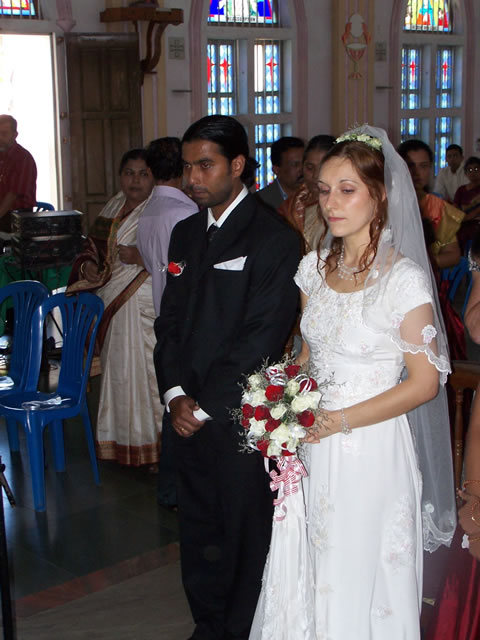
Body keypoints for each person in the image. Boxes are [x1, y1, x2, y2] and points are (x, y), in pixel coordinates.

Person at [250, 126, 455, 639]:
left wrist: (337, 420)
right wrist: (278, 401)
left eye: (347, 189)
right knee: (315, 566)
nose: (331, 203)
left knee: (359, 576)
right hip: (314, 444)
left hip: (371, 448)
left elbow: (424, 384)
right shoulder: (312, 269)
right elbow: (308, 353)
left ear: (379, 195)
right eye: (323, 190)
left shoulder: (403, 280)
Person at [154, 114, 300, 639]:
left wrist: (203, 405)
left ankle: (239, 629)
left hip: (238, 413)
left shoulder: (274, 238)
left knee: (242, 533)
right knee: (197, 530)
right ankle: (207, 625)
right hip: (184, 409)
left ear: (237, 165)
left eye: (205, 166)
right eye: (188, 166)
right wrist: (174, 393)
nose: (192, 178)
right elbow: (168, 322)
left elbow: (261, 337)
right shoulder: (185, 232)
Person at [67, 148, 161, 467]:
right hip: (112, 298)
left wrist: (142, 258)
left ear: (154, 177)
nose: (135, 180)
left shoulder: (159, 210)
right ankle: (121, 442)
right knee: (119, 374)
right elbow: (90, 248)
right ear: (120, 176)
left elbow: (177, 258)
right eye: (129, 173)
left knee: (146, 375)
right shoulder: (112, 206)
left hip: (144, 301)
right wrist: (88, 267)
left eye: (143, 174)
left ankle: (155, 447)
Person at [137, 136, 198, 506]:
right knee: (183, 407)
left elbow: (152, 265)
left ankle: (171, 488)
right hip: (187, 319)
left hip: (166, 314)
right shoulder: (185, 212)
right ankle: (177, 489)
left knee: (173, 401)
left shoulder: (148, 211)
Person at [398, 138, 463, 268]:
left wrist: (417, 267)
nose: (416, 173)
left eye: (423, 166)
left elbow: (453, 255)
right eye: (410, 166)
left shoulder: (437, 206)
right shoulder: (383, 203)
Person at [278, 134, 335, 253]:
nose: (315, 176)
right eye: (310, 168)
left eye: (323, 167)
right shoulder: (290, 208)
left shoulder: (346, 206)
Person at [0, 114, 37, 233]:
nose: (0, 138)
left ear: (15, 135)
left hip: (18, 218)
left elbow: (13, 194)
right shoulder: (2, 156)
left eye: (4, 134)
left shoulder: (23, 158)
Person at [256, 136, 304, 210]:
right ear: (276, 170)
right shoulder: (260, 202)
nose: (302, 169)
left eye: (305, 163)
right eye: (295, 164)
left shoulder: (315, 195)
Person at [453, 156, 480, 252]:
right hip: (461, 224)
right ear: (465, 173)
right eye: (470, 170)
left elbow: (476, 212)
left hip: (475, 226)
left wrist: (464, 217)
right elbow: (455, 210)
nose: (473, 172)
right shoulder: (461, 190)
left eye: (476, 169)